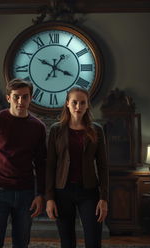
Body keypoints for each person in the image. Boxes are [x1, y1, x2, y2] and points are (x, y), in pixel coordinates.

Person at [0, 78, 46, 248]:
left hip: (26, 193)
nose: (20, 101)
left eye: (25, 97)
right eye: (16, 97)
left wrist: (40, 194)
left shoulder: (38, 127)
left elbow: (41, 163)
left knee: (22, 242)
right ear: (8, 98)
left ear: (31, 98)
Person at [45, 87, 109, 248]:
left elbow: (102, 166)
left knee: (94, 241)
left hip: (89, 192)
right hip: (62, 192)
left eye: (82, 103)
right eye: (74, 102)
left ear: (87, 105)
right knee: (67, 242)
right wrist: (50, 198)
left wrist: (104, 198)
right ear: (67, 104)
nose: (78, 106)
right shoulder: (56, 130)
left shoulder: (96, 130)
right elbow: (50, 166)